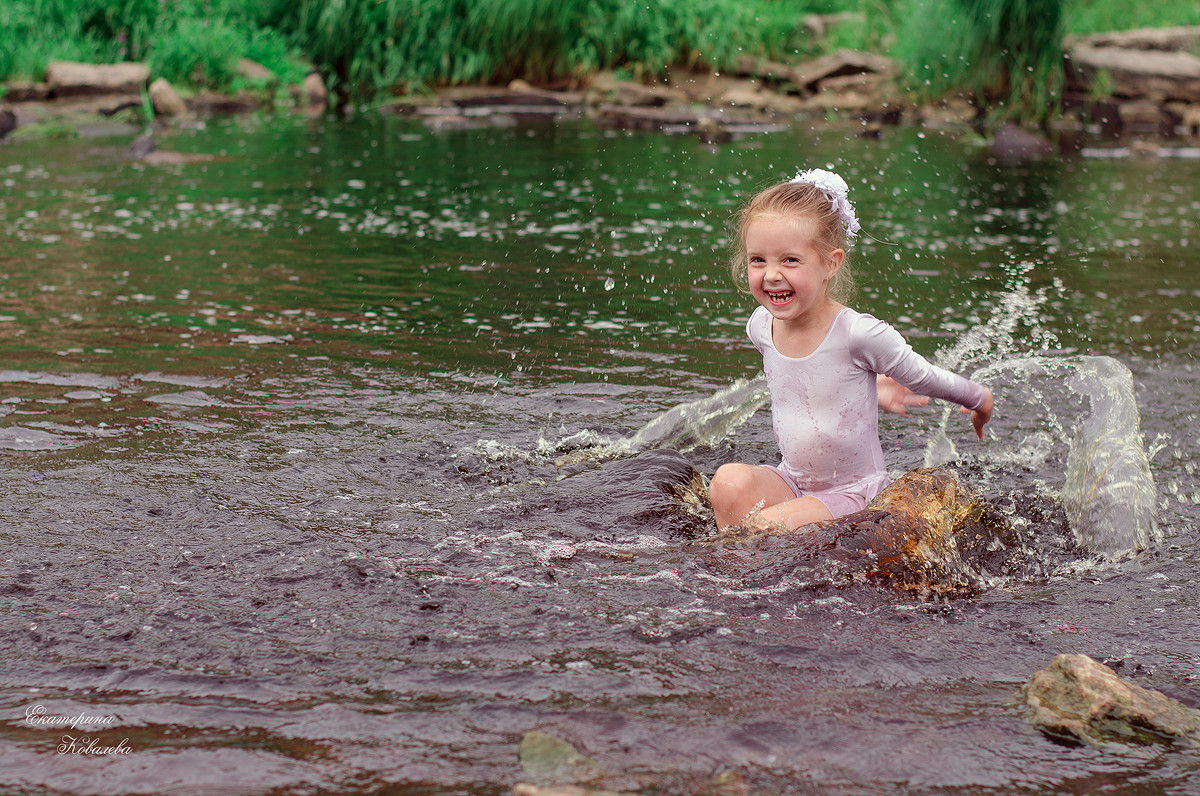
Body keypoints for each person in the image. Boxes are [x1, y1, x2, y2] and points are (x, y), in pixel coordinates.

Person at [709, 168, 993, 533]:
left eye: (790, 260)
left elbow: (923, 377)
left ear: (831, 262)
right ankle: (733, 573)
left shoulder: (858, 333)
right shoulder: (761, 326)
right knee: (726, 483)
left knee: (765, 526)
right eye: (758, 260)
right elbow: (818, 387)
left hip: (855, 492)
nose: (772, 275)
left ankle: (743, 563)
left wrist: (978, 398)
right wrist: (875, 391)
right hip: (792, 478)